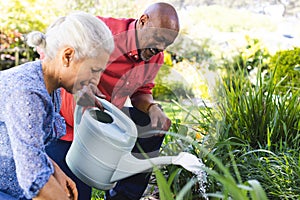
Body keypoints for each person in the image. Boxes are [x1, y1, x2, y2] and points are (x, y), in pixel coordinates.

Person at [45, 2, 180, 200]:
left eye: (166, 44)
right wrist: (80, 88)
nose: (160, 48)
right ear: (143, 21)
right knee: (73, 195)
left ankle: (122, 197)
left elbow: (141, 91)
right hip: (68, 127)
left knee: (151, 126)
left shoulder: (155, 56)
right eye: (159, 38)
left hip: (106, 122)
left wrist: (152, 108)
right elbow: (52, 48)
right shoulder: (101, 33)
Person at [0, 11, 114, 200]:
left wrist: (55, 170)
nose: (96, 80)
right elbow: (34, 180)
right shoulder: (27, 93)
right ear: (67, 56)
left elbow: (25, 143)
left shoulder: (48, 85)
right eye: (94, 70)